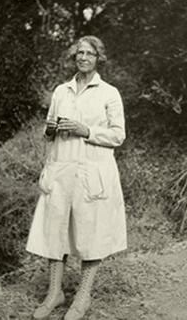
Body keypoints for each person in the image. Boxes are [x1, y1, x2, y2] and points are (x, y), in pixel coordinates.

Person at [26, 35, 127, 320]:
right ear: (75, 58)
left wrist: (86, 130)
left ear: (98, 59)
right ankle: (55, 293)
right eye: (79, 53)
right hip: (60, 169)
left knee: (90, 233)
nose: (83, 57)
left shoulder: (109, 92)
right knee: (54, 233)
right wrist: (49, 130)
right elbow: (49, 131)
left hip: (92, 172)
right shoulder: (62, 91)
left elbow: (119, 135)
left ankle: (83, 296)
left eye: (89, 53)